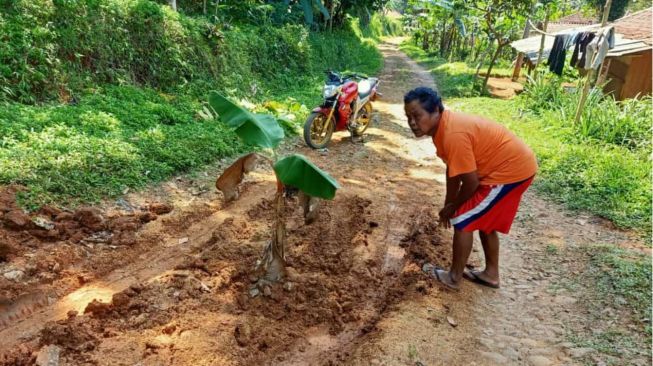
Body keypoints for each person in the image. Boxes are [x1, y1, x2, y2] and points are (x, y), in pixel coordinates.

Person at [403, 87, 537, 290]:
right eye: (408, 117)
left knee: (463, 220)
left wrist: (454, 208)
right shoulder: (443, 129)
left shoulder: (452, 134)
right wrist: (449, 202)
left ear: (436, 111)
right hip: (509, 168)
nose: (412, 122)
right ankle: (491, 274)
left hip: (510, 172)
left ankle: (454, 277)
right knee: (484, 220)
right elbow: (453, 169)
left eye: (417, 115)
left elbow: (471, 183)